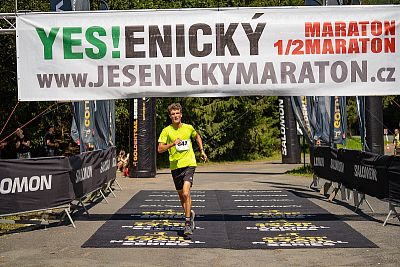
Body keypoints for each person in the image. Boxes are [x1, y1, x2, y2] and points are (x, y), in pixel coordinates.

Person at [157, 103, 207, 236]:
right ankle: (189, 213)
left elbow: (197, 136)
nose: (175, 116)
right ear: (170, 116)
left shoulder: (188, 128)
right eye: (173, 114)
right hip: (175, 167)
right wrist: (173, 144)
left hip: (189, 163)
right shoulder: (166, 131)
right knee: (181, 196)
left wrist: (202, 151)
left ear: (181, 114)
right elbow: (160, 149)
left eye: (177, 113)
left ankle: (187, 223)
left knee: (186, 193)